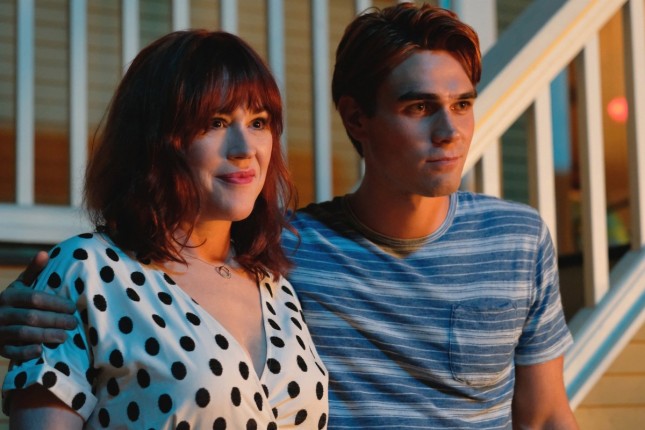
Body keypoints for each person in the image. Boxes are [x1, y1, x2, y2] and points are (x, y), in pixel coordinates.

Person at [0, 3, 578, 429]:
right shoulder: (292, 249)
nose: (450, 130)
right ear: (356, 119)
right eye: (419, 106)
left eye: (463, 104)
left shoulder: (518, 240)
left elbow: (546, 415)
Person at [0, 30, 328, 429]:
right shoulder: (86, 271)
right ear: (155, 139)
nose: (245, 148)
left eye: (258, 122)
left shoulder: (276, 286)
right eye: (216, 122)